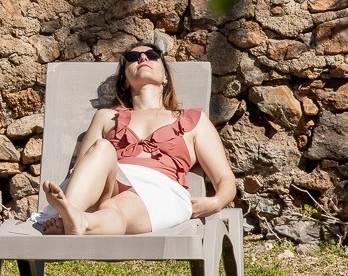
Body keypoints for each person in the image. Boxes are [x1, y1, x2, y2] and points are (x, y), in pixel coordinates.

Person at [37, 41, 237, 235]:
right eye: (133, 57)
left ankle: (76, 221)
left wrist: (216, 202)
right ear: (125, 78)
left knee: (116, 208)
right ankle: (72, 214)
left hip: (160, 189)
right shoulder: (106, 117)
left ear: (165, 76)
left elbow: (224, 178)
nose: (142, 57)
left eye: (152, 55)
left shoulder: (192, 119)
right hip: (110, 182)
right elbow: (82, 168)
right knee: (102, 148)